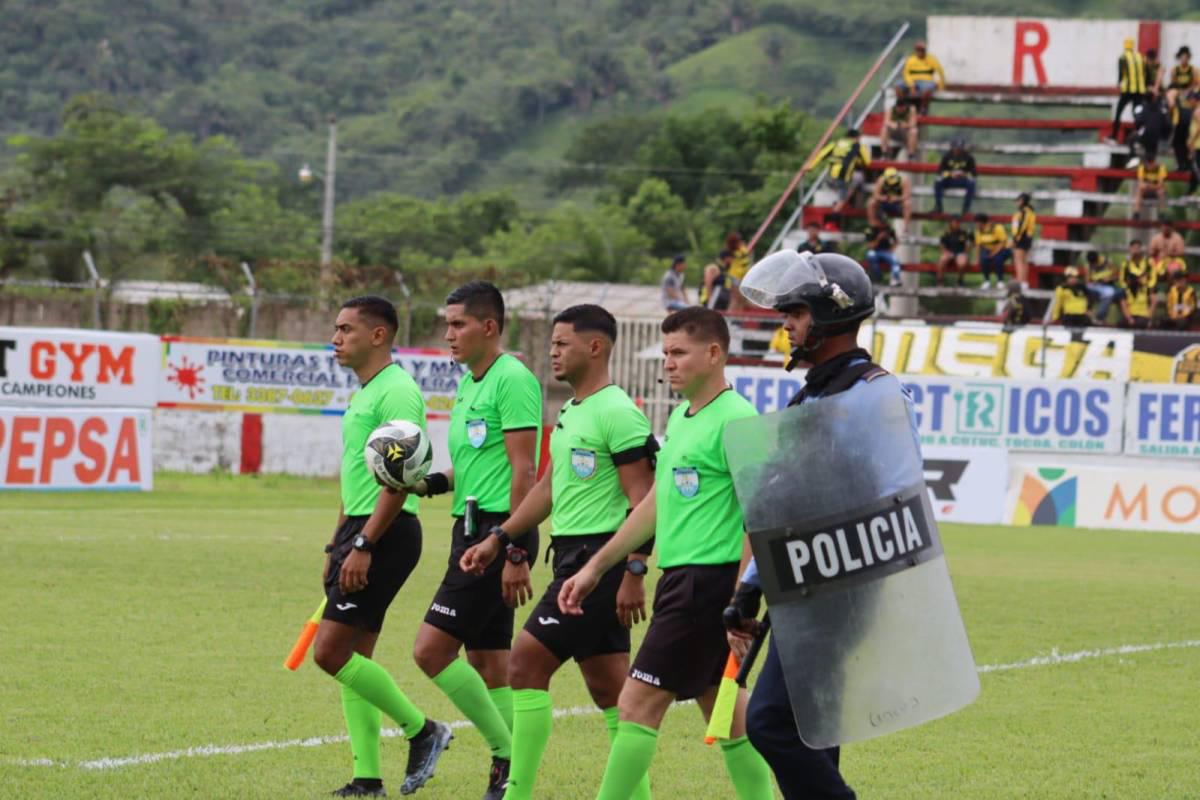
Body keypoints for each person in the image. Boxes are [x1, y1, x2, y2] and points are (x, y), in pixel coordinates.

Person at [557, 307, 775, 800]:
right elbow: (656, 503)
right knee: (726, 712)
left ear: (714, 353)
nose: (668, 364)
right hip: (683, 581)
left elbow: (756, 516)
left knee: (635, 705)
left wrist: (743, 597)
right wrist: (597, 565)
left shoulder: (739, 420)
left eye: (679, 353)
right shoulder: (680, 416)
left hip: (706, 586)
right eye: (666, 353)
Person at [458, 304, 657, 800]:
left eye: (562, 343)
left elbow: (645, 503)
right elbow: (547, 488)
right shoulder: (572, 411)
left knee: (523, 664)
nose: (552, 352)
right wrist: (498, 538)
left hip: (599, 563)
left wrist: (633, 569)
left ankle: (516, 793)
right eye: (551, 344)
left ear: (595, 347)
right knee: (611, 692)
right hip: (573, 559)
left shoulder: (617, 412)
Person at [727, 249, 892, 800]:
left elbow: (875, 489)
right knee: (812, 730)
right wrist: (750, 590)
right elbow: (783, 498)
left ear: (827, 314)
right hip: (800, 576)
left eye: (795, 314)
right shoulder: (813, 393)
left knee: (769, 722)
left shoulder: (874, 392)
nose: (787, 326)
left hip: (841, 585)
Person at [314, 295, 452, 798]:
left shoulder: (397, 393)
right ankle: (367, 779)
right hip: (359, 528)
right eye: (335, 328)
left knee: (329, 654)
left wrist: (365, 542)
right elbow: (361, 473)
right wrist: (338, 539)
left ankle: (424, 730)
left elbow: (399, 480)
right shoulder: (366, 391)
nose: (336, 337)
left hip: (385, 532)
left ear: (378, 336)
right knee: (356, 657)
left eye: (346, 329)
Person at [409, 281, 542, 800]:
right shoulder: (469, 382)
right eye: (447, 324)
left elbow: (524, 472)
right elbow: (470, 467)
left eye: (458, 324)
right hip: (468, 526)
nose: (449, 334)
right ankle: (508, 768)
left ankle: (511, 759)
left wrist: (511, 548)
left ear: (489, 327)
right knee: (489, 663)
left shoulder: (513, 380)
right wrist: (429, 483)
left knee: (430, 652)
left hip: (496, 532)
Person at [809, 129, 871, 223]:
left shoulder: (834, 143)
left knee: (851, 183)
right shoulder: (857, 146)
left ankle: (839, 205)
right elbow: (867, 162)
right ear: (857, 137)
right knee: (858, 179)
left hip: (829, 179)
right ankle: (832, 220)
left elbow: (820, 155)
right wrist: (856, 160)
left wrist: (810, 167)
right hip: (843, 180)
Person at [1112, 38, 1147, 141]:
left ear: (1125, 46)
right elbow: (1145, 73)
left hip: (1127, 90)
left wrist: (1119, 84)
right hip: (1139, 90)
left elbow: (1121, 73)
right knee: (1137, 113)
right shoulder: (1140, 56)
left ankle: (1114, 136)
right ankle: (1140, 136)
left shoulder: (1123, 57)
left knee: (1118, 112)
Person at [933, 139, 977, 215]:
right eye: (956, 148)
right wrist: (950, 174)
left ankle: (966, 208)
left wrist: (964, 174)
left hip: (963, 180)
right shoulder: (947, 156)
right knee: (938, 181)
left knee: (972, 182)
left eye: (960, 148)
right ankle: (938, 206)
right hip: (950, 180)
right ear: (952, 147)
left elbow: (974, 173)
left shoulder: (969, 157)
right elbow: (940, 172)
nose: (958, 150)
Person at [900, 40, 944, 114]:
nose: (920, 52)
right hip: (913, 81)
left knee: (926, 90)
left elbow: (939, 72)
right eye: (918, 50)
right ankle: (902, 107)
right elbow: (906, 73)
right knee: (898, 87)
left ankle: (923, 109)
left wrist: (940, 84)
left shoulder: (931, 59)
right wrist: (911, 85)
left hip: (926, 81)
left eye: (922, 50)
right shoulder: (910, 60)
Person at [974, 213, 1011, 290]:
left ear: (982, 222)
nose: (976, 224)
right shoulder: (978, 231)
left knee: (998, 259)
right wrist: (977, 258)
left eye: (977, 222)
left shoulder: (997, 227)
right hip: (988, 249)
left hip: (1003, 249)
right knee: (983, 259)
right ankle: (986, 281)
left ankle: (1000, 281)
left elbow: (1003, 242)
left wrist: (994, 253)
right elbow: (978, 245)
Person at [1084, 250, 1123, 324]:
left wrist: (1108, 279)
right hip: (1095, 287)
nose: (1094, 265)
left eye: (1095, 263)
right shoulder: (1088, 265)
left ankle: (1100, 317)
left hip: (1107, 286)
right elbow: (1087, 282)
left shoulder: (1107, 262)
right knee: (1086, 291)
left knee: (1110, 293)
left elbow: (1117, 275)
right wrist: (1094, 281)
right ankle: (1087, 315)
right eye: (1092, 264)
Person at [884, 88, 919, 159]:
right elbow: (886, 121)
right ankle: (884, 152)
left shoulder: (911, 109)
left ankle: (911, 154)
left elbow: (913, 123)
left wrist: (905, 125)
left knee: (914, 131)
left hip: (906, 132)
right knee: (884, 129)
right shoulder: (891, 109)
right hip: (895, 131)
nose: (900, 110)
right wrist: (893, 124)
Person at [1011, 192, 1037, 287]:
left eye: (1018, 200)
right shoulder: (1030, 211)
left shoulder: (1024, 212)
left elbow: (1021, 226)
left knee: (1019, 260)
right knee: (1024, 261)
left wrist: (1015, 238)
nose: (1017, 203)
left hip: (1022, 237)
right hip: (1027, 237)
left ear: (1022, 201)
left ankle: (1020, 281)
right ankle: (1024, 281)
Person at [937, 215, 970, 287]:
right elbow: (942, 245)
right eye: (955, 222)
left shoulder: (964, 233)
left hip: (960, 253)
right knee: (942, 260)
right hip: (949, 252)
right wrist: (945, 252)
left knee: (962, 263)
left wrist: (964, 253)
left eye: (958, 222)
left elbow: (967, 245)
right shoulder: (946, 233)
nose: (956, 224)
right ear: (951, 223)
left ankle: (960, 281)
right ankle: (940, 281)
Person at [726, 232, 752, 311]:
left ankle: (737, 318)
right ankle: (730, 317)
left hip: (741, 277)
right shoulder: (735, 252)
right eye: (739, 240)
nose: (741, 242)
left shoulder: (741, 250)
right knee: (735, 300)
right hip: (735, 277)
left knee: (740, 301)